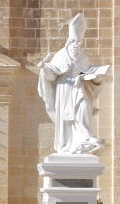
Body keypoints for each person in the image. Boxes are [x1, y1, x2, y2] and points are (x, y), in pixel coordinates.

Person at [37, 13, 109, 154]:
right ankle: (68, 144)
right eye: (74, 44)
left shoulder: (83, 57)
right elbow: (52, 75)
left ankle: (86, 138)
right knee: (67, 118)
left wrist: (97, 77)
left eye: (78, 44)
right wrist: (44, 67)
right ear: (69, 44)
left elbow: (89, 73)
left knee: (83, 110)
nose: (76, 47)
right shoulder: (60, 56)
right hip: (65, 89)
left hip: (80, 89)